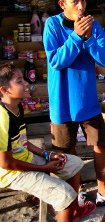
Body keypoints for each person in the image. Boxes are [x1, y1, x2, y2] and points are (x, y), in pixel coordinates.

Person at [43, 0, 105, 206]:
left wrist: (88, 39)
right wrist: (76, 37)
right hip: (63, 102)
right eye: (74, 1)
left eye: (83, 1)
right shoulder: (52, 26)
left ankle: (104, 191)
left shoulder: (93, 26)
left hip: (87, 101)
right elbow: (55, 61)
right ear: (62, 4)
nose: (81, 6)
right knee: (67, 150)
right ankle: (74, 196)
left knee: (100, 144)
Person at [0, 63, 96, 221]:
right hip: (11, 174)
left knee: (74, 163)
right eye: (19, 81)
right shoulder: (2, 117)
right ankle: (67, 208)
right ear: (4, 90)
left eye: (24, 79)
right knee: (65, 194)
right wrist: (43, 167)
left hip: (24, 159)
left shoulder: (17, 107)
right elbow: (5, 163)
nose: (26, 83)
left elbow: (22, 142)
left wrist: (48, 154)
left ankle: (74, 211)